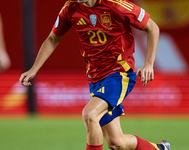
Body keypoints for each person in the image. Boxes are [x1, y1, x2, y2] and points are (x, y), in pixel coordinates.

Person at [19, 0, 171, 150]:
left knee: (90, 114)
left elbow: (152, 27)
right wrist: (34, 69)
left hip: (119, 74)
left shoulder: (116, 5)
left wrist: (148, 64)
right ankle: (160, 148)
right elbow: (53, 39)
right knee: (116, 143)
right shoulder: (70, 8)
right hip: (95, 77)